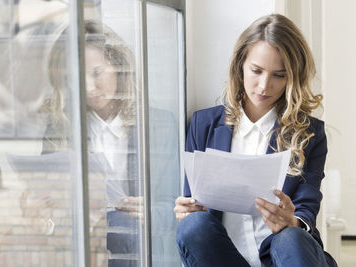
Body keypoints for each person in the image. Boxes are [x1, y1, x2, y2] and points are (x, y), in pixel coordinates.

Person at [174, 14, 337, 267]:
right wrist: (186, 211)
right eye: (256, 71)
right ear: (240, 65)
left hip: (284, 257)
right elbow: (194, 201)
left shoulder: (310, 133)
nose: (264, 85)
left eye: (279, 75)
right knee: (193, 226)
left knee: (291, 236)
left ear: (292, 77)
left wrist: (291, 220)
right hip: (224, 257)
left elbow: (307, 208)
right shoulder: (203, 124)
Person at [43, 20, 179, 267]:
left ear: (117, 66)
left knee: (123, 226)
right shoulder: (60, 128)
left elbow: (174, 207)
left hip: (137, 247)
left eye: (96, 73)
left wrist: (148, 212)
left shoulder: (159, 124)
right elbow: (50, 205)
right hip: (84, 245)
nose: (88, 87)